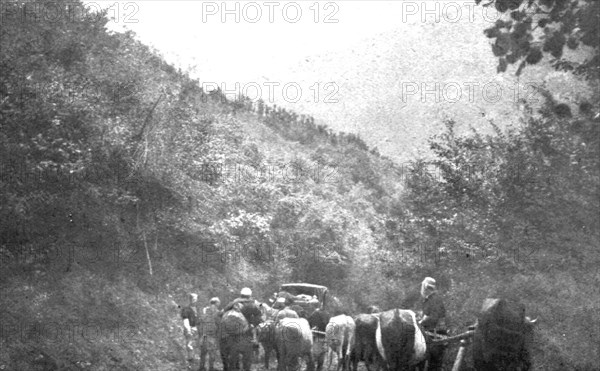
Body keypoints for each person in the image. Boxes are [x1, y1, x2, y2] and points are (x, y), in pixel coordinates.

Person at [418, 277, 447, 371]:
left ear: (425, 288)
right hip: (433, 333)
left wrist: (419, 322)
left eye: (422, 287)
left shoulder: (433, 299)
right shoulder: (431, 299)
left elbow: (432, 317)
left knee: (433, 365)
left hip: (435, 334)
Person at [198, 297, 221, 371]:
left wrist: (200, 334)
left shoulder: (204, 311)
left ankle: (201, 367)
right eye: (218, 302)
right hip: (212, 336)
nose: (219, 303)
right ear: (216, 303)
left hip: (204, 335)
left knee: (203, 353)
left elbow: (200, 322)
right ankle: (211, 368)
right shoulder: (217, 312)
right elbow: (219, 324)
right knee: (212, 353)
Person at [181, 293, 199, 365]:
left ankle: (194, 360)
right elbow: (185, 320)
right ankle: (190, 361)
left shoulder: (197, 309)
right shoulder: (186, 309)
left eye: (196, 299)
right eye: (193, 299)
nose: (195, 301)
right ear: (190, 300)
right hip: (190, 327)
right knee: (189, 344)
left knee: (196, 345)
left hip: (196, 328)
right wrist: (188, 329)